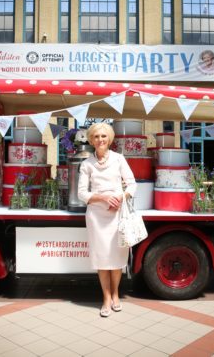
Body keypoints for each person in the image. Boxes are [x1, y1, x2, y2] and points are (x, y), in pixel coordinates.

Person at [77, 123, 137, 317]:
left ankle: (116, 295)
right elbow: (81, 193)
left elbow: (132, 184)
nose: (100, 140)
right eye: (96, 136)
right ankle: (106, 297)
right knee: (102, 258)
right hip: (96, 215)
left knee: (117, 258)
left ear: (109, 139)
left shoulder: (119, 159)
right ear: (91, 140)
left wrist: (120, 197)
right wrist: (102, 197)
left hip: (117, 214)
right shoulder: (86, 164)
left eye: (104, 136)